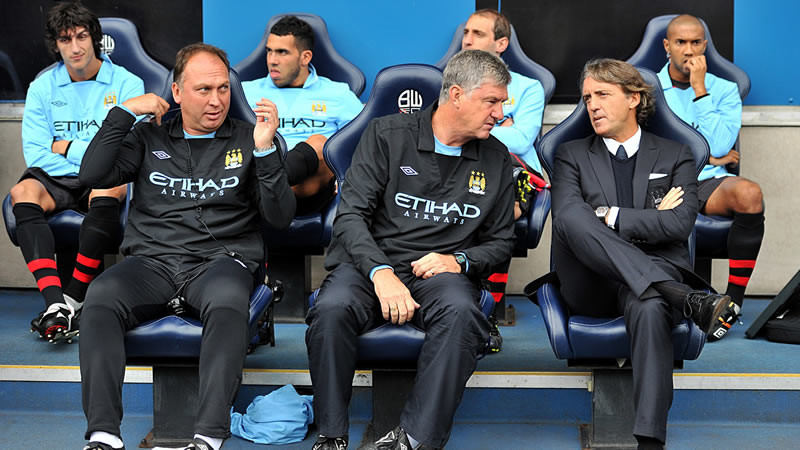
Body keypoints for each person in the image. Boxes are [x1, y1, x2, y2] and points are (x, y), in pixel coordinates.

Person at [78, 43, 295, 450]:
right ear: (177, 92)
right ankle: (104, 434)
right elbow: (92, 174)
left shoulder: (250, 137)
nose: (216, 100)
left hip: (221, 262)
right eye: (203, 90)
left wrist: (266, 151)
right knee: (100, 297)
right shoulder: (148, 135)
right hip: (151, 263)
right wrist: (124, 113)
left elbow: (281, 217)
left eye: (223, 88)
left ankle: (209, 434)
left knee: (228, 301)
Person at [306, 50, 516, 450]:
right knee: (331, 309)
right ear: (456, 95)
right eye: (492, 101)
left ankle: (414, 439)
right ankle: (331, 434)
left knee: (461, 314)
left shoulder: (496, 158)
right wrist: (380, 272)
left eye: (502, 103)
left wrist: (459, 260)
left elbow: (502, 242)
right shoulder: (387, 135)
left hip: (440, 272)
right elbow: (349, 218)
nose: (500, 113)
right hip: (372, 264)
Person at [551, 58, 738, 449]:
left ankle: (650, 442)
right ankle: (685, 298)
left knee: (650, 303)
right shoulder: (570, 154)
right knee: (572, 216)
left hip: (654, 279)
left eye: (602, 95)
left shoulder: (677, 154)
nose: (592, 105)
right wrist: (648, 219)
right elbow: (570, 219)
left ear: (634, 98)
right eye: (587, 98)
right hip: (592, 283)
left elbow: (679, 225)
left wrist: (610, 215)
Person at [10, 1, 143, 342]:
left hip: (104, 177)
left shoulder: (128, 84)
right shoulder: (42, 87)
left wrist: (67, 146)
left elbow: (126, 150)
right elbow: (36, 154)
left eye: (82, 36)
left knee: (111, 187)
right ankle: (55, 302)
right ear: (55, 44)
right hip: (57, 176)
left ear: (94, 38)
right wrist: (93, 154)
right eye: (65, 39)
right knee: (22, 192)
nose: (75, 47)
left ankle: (74, 296)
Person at [659, 14, 765, 340]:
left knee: (750, 194)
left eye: (695, 42)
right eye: (680, 42)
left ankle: (732, 302)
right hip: (659, 178)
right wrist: (713, 156)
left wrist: (700, 89)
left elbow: (718, 145)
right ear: (667, 47)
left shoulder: (724, 89)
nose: (689, 50)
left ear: (704, 46)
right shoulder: (646, 87)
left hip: (705, 181)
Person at [460, 8, 549, 350]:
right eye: (466, 33)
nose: (467, 40)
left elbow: (522, 141)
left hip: (513, 171)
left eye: (478, 34)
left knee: (497, 210)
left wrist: (476, 128)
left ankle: (489, 310)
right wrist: (499, 128)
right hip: (464, 169)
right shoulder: (452, 83)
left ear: (501, 43)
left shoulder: (527, 88)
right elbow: (446, 132)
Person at [242, 15, 363, 215]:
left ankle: (275, 182)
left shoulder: (338, 93)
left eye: (282, 52)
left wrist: (347, 175)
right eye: (269, 51)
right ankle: (272, 184)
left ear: (305, 57)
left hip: (309, 190)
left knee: (320, 144)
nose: (272, 60)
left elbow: (363, 143)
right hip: (261, 180)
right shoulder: (245, 91)